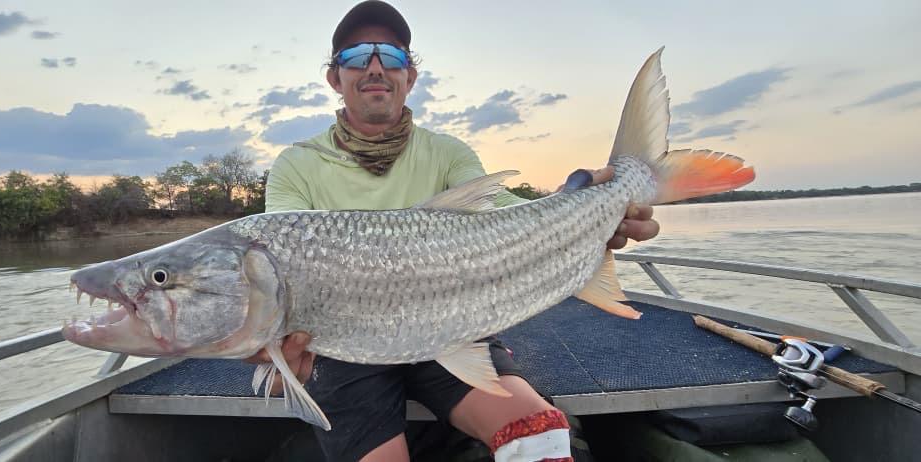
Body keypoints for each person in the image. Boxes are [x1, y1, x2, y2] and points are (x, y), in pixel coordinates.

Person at [247, 2, 660, 460]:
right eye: (357, 55)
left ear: (411, 76)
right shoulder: (295, 165)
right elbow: (277, 263)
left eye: (393, 55)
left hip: (451, 330)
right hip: (341, 350)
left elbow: (511, 217)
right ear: (335, 77)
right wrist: (270, 340)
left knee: (542, 436)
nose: (376, 67)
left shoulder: (447, 152)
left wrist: (579, 203)